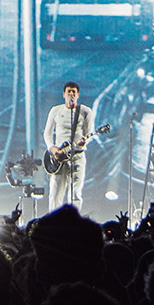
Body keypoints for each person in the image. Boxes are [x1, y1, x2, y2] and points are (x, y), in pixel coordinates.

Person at [43, 82, 94, 212]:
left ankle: (73, 220)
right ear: (64, 94)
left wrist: (84, 141)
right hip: (59, 157)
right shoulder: (56, 110)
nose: (71, 94)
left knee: (75, 193)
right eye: (69, 91)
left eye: (74, 92)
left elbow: (89, 133)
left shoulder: (85, 111)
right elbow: (47, 133)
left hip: (77, 156)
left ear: (78, 95)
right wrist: (52, 148)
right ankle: (54, 220)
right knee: (55, 193)